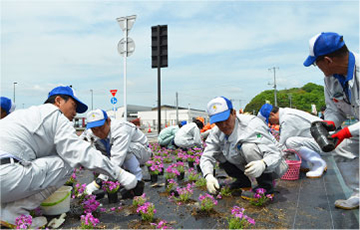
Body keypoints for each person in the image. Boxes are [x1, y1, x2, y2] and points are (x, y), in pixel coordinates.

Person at [0, 86, 137, 228]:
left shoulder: (24, 115)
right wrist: (120, 174)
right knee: (67, 162)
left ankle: (4, 213)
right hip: (6, 177)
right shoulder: (54, 114)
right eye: (73, 105)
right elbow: (78, 151)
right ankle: (15, 214)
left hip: (6, 176)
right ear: (58, 101)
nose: (75, 112)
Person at [304, 32, 359, 209]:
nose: (317, 67)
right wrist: (329, 123)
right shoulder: (331, 79)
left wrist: (345, 132)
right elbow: (334, 109)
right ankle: (358, 193)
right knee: (341, 148)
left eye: (315, 63)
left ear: (327, 60)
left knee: (343, 139)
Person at [200, 96, 288, 199]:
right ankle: (243, 181)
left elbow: (275, 153)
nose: (223, 125)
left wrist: (263, 164)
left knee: (248, 147)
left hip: (274, 166)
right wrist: (208, 175)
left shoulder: (252, 125)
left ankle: (266, 187)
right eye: (218, 122)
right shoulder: (216, 132)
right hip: (245, 164)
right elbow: (207, 156)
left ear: (233, 113)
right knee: (218, 152)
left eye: (226, 119)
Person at [82, 109, 152, 199]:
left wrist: (97, 183)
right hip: (119, 154)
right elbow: (79, 147)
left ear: (108, 121)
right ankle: (117, 181)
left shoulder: (121, 129)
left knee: (126, 149)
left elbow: (116, 161)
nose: (98, 132)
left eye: (101, 128)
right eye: (94, 129)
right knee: (97, 145)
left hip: (141, 152)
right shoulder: (91, 132)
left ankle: (137, 180)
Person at [258, 103, 327, 178]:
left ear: (272, 114)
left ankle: (319, 164)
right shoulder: (286, 112)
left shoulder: (286, 119)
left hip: (324, 142)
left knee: (291, 142)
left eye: (270, 121)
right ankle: (304, 165)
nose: (272, 124)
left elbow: (281, 145)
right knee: (294, 141)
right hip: (319, 138)